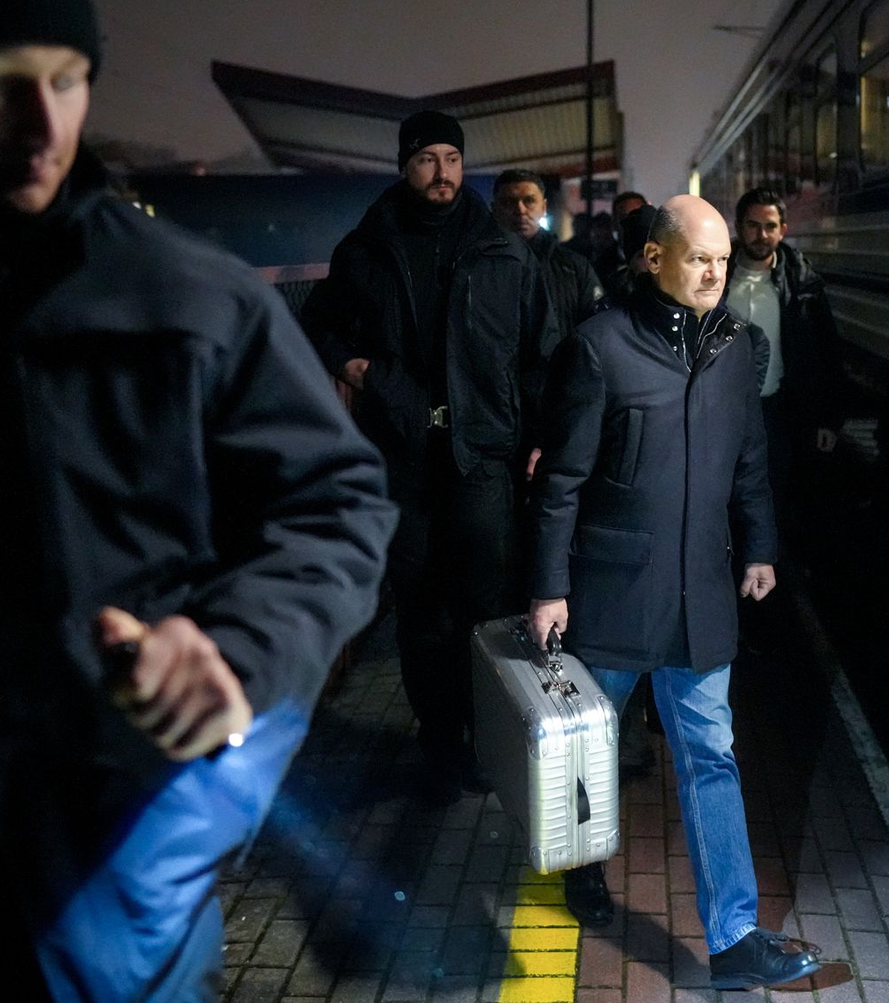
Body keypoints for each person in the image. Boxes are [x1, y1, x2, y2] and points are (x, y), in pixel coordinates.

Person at [0, 0, 396, 1001]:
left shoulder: (189, 299)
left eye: (65, 78)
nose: (39, 121)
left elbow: (337, 505)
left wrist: (231, 651)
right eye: (0, 80)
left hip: (110, 840)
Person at [527, 195, 821, 990]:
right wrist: (549, 587)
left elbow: (750, 459)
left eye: (724, 259)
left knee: (711, 759)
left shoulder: (738, 349)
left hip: (700, 593)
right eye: (699, 257)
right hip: (613, 591)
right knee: (594, 751)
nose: (716, 272)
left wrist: (759, 544)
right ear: (653, 258)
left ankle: (732, 939)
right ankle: (584, 869)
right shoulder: (599, 348)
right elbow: (560, 482)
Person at [302, 111, 558, 803]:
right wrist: (359, 370)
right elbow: (317, 323)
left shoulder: (502, 251)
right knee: (420, 606)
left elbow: (541, 354)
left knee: (484, 606)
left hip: (482, 456)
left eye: (451, 157)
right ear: (404, 166)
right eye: (426, 159)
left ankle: (485, 734)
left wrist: (536, 435)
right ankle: (440, 741)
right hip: (405, 453)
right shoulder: (367, 249)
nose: (441, 171)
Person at [726, 186, 843, 563]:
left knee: (772, 490)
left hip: (777, 407)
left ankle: (762, 572)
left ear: (784, 229)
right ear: (739, 227)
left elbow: (826, 353)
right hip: (722, 410)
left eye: (770, 226)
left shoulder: (803, 284)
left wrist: (828, 418)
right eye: (753, 225)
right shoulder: (717, 276)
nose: (761, 235)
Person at [492, 168, 603, 339]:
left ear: (543, 207)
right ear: (494, 209)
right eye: (509, 202)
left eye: (529, 201)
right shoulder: (477, 266)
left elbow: (597, 328)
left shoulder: (573, 267)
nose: (520, 210)